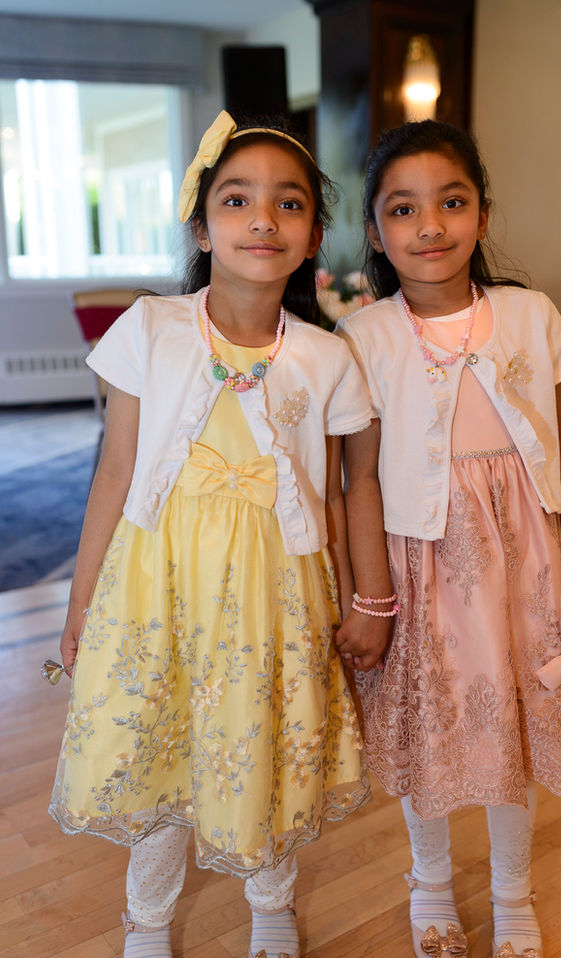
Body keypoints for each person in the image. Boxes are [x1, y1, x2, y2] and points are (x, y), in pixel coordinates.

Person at [48, 110, 393, 958]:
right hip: (158, 586)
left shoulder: (327, 357)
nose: (262, 220)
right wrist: (82, 597)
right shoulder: (152, 328)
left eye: (288, 204)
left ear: (313, 233)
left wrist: (364, 599)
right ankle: (149, 919)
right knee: (164, 748)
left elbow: (344, 491)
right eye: (237, 201)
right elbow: (117, 471)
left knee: (264, 745)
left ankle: (272, 905)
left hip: (279, 596)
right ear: (202, 226)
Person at [336, 120, 561, 958]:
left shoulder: (527, 315)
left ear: (481, 215)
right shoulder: (365, 336)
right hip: (424, 563)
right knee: (435, 728)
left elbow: (560, 444)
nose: (430, 226)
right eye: (404, 210)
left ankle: (511, 891)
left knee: (513, 724)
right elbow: (361, 477)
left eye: (450, 202)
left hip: (524, 558)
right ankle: (429, 887)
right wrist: (372, 596)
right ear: (376, 233)